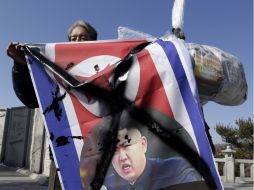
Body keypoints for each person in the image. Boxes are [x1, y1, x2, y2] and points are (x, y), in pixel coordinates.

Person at [6, 19, 97, 190]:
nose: (77, 42)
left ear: (94, 42)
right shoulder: (54, 71)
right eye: (73, 38)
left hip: (100, 154)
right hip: (64, 155)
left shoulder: (106, 68)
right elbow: (31, 99)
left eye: (83, 38)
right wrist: (20, 66)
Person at [80, 111, 202, 190]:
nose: (122, 157)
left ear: (143, 144)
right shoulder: (104, 185)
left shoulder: (178, 170)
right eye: (113, 151)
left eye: (127, 145)